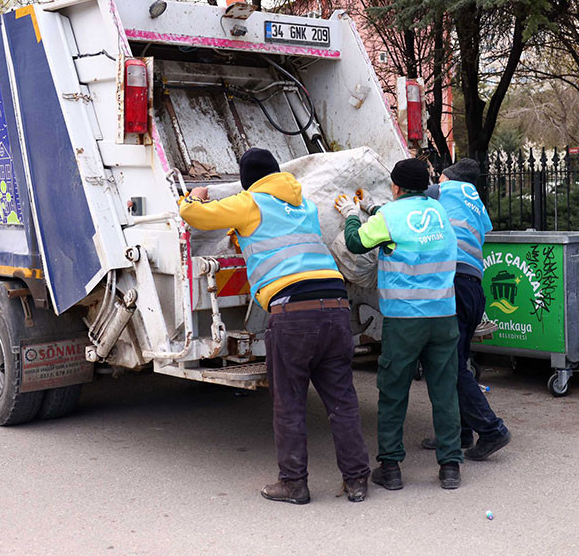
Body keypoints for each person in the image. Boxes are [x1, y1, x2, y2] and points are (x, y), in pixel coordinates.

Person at [179, 147, 370, 505]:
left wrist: (196, 195)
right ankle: (357, 480)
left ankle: (294, 484)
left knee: (290, 403)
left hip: (293, 314)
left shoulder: (250, 203)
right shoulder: (304, 205)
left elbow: (194, 216)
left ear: (249, 180)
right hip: (335, 306)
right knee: (342, 400)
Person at [337, 157, 463, 490]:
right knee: (444, 392)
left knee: (393, 393)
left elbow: (355, 243)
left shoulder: (390, 216)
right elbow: (412, 228)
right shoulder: (440, 214)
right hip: (444, 317)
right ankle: (450, 467)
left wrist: (352, 215)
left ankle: (391, 468)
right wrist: (374, 209)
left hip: (405, 320)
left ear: (396, 187)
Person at [420, 158, 511, 460]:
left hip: (452, 283)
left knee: (450, 363)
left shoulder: (442, 191)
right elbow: (486, 229)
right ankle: (459, 433)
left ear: (446, 177)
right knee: (457, 358)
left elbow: (408, 202)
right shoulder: (476, 202)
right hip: (473, 286)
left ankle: (491, 429)